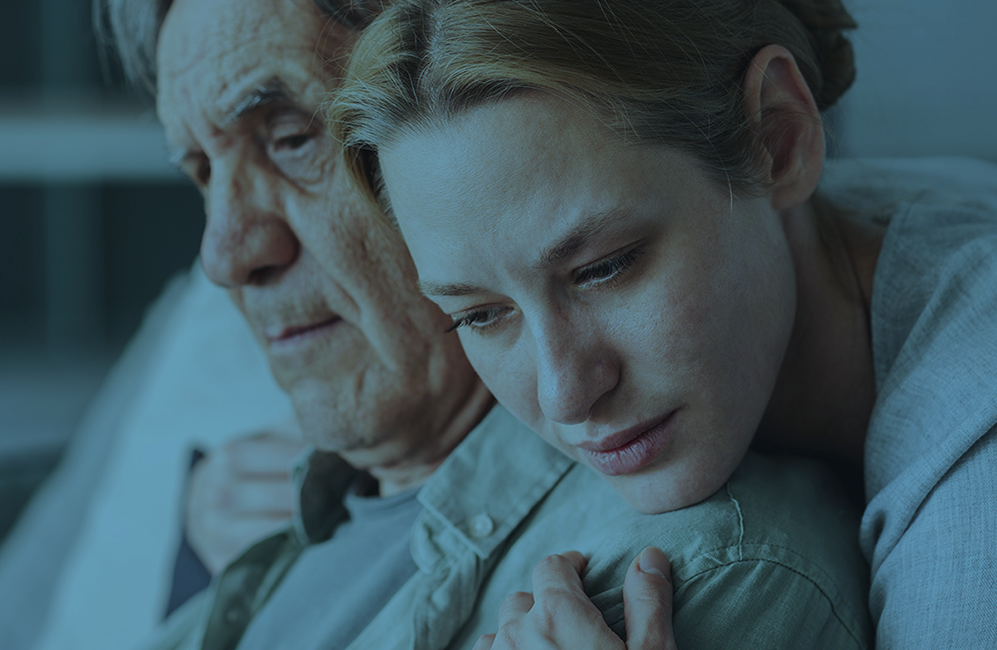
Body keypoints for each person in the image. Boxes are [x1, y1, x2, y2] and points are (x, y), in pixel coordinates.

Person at [103, 0, 874, 647]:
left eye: (293, 138)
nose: (223, 254)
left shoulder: (679, 573)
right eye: (202, 171)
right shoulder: (274, 502)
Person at [329, 0, 997, 646]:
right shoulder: (787, 221)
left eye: (605, 267)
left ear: (778, 138)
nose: (565, 395)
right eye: (481, 314)